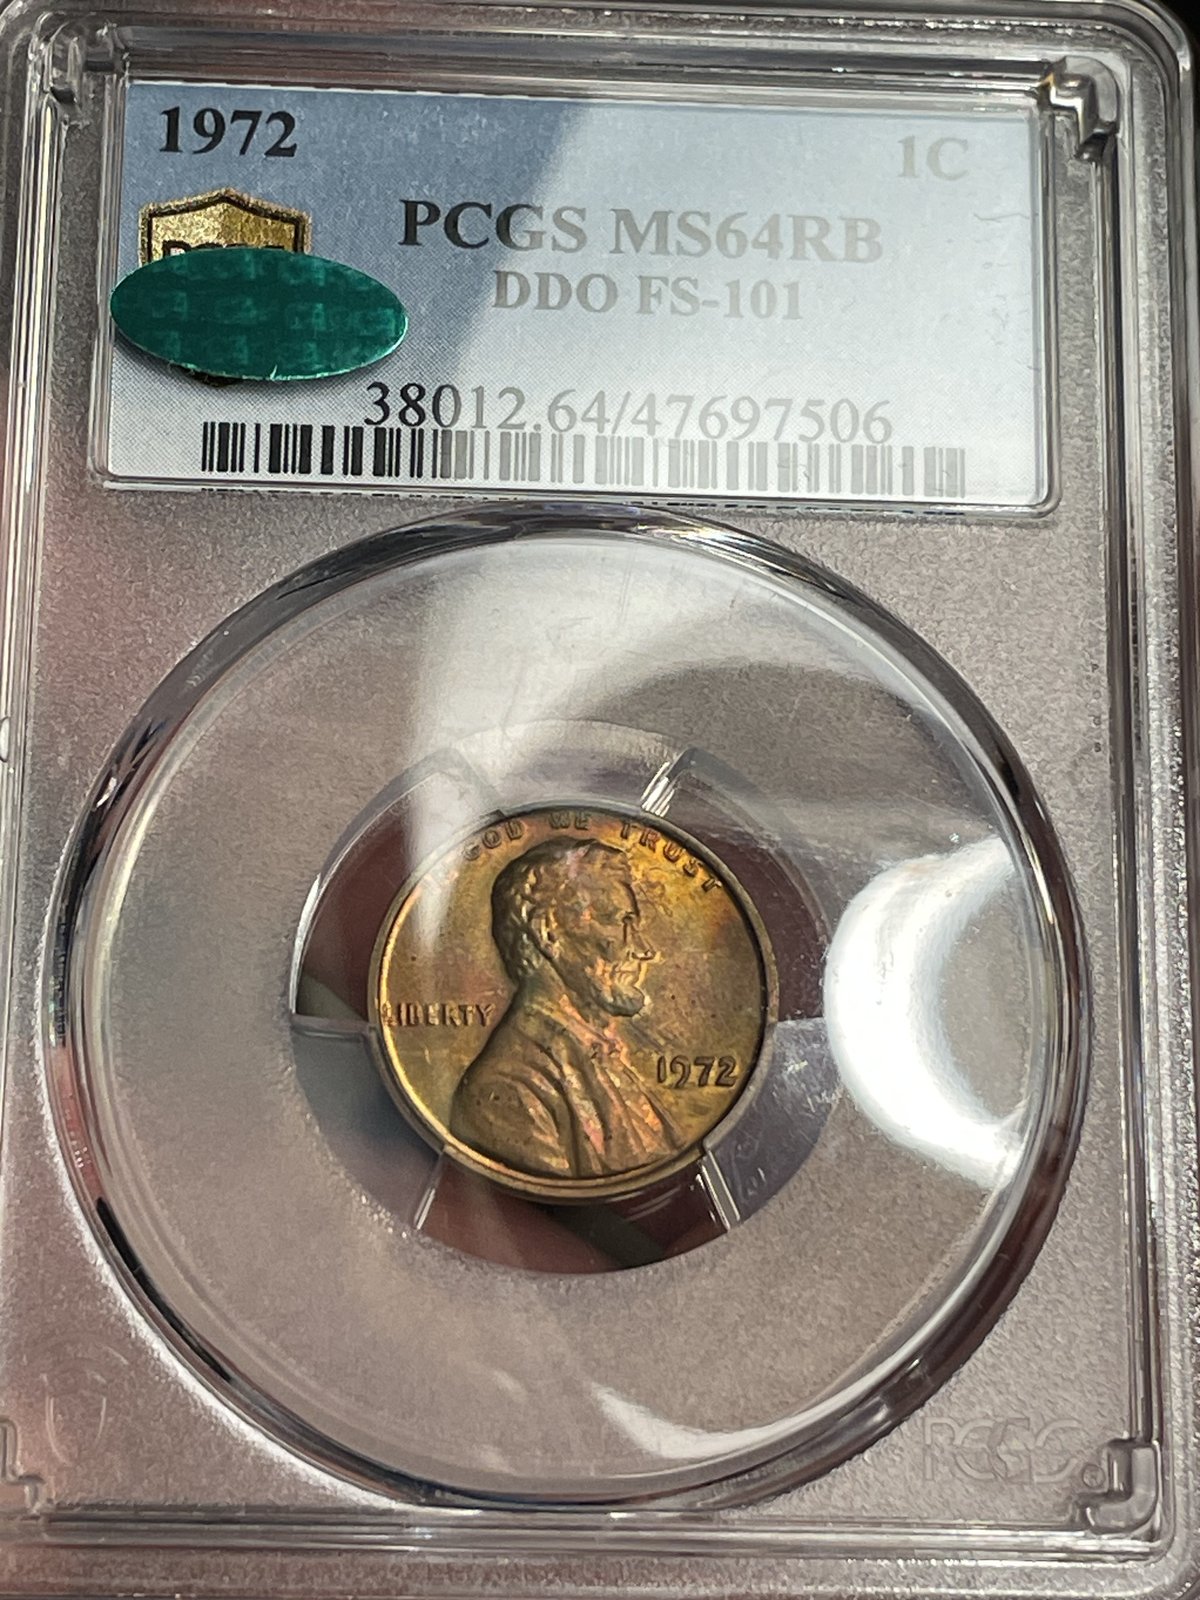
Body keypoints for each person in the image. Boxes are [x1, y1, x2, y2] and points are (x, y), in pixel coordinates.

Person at [450, 836, 683, 1179]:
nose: (643, 948)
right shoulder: (506, 1092)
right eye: (617, 920)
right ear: (548, 933)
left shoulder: (603, 1059)